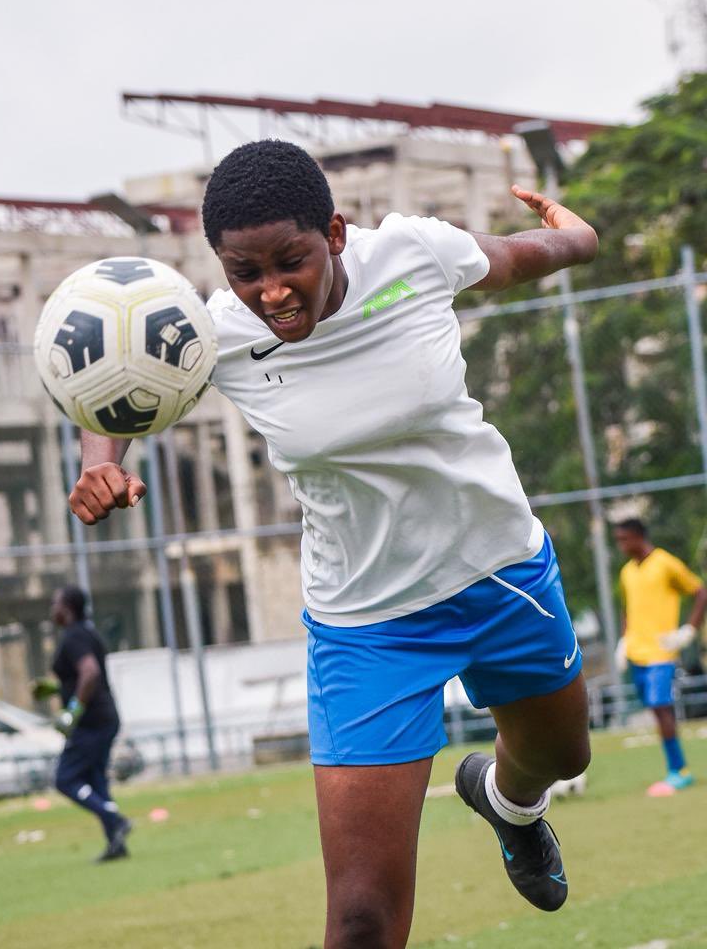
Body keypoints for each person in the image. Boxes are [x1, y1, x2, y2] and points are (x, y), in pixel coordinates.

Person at [69, 140, 595, 947]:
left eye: (292, 261)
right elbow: (117, 393)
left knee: (559, 755)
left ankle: (505, 800)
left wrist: (579, 236)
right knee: (359, 919)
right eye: (246, 271)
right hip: (367, 625)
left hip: (499, 570)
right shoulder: (213, 336)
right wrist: (99, 466)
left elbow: (522, 255)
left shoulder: (413, 253)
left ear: (337, 235)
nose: (272, 290)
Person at [31, 585, 131, 861]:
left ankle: (115, 819)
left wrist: (72, 711)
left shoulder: (74, 636)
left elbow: (89, 673)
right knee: (97, 781)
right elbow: (77, 678)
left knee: (65, 778)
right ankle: (116, 842)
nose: (53, 609)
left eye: (55, 603)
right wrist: (54, 689)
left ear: (67, 608)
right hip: (105, 717)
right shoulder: (88, 633)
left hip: (92, 722)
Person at [612, 517, 706, 794]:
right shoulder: (627, 571)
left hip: (661, 652)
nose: (621, 545)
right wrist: (624, 640)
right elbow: (627, 608)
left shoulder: (665, 562)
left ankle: (679, 771)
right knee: (655, 708)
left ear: (639, 537)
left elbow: (700, 592)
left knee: (661, 706)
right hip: (636, 652)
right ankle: (676, 768)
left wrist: (689, 630)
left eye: (624, 539)